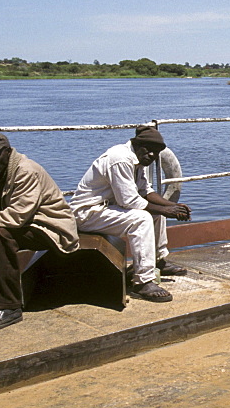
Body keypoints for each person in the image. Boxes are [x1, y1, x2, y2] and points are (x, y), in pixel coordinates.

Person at [0, 132, 80, 333]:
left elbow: (17, 216)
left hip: (51, 228)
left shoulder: (25, 171)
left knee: (2, 234)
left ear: (7, 152)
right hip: (27, 224)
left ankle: (7, 307)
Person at [70, 125, 191, 303]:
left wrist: (173, 206)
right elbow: (129, 201)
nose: (151, 155)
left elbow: (146, 191)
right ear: (137, 144)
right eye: (148, 150)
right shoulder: (119, 158)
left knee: (157, 214)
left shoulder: (138, 160)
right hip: (88, 213)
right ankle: (143, 282)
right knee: (141, 218)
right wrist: (167, 210)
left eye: (155, 153)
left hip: (106, 208)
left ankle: (158, 260)